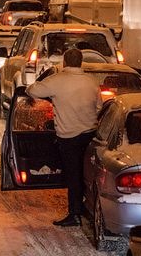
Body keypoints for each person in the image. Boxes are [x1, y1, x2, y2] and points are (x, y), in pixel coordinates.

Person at [27, 48, 103, 227]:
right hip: (90, 134)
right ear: (81, 62)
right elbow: (99, 107)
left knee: (73, 175)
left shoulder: (57, 81)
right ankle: (86, 207)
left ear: (65, 62)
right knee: (86, 172)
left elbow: (33, 91)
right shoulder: (91, 82)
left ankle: (74, 214)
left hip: (68, 136)